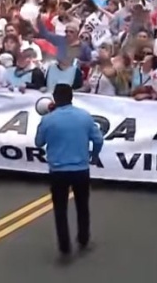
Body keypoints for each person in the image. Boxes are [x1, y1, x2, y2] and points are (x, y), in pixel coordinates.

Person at [34, 84, 104, 259]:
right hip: (80, 168)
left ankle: (64, 246)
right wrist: (94, 155)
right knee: (82, 206)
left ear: (55, 99)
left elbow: (38, 142)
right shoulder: (85, 117)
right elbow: (98, 140)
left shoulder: (48, 120)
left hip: (58, 170)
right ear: (72, 97)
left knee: (60, 209)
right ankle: (83, 238)